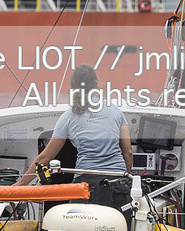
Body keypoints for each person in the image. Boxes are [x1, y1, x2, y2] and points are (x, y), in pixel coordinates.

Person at [16, 65, 132, 206]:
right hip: (117, 182)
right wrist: (126, 177)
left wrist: (21, 184)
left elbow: (44, 158)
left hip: (86, 184)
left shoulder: (69, 116)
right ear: (96, 83)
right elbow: (128, 151)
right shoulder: (116, 111)